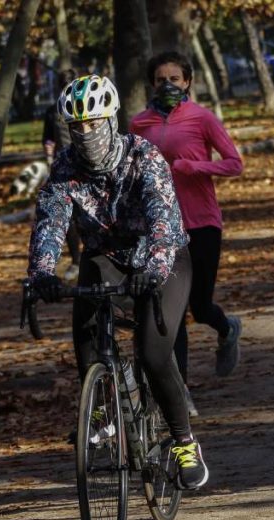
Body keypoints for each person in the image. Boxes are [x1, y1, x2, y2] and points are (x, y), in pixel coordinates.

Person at [27, 74, 209, 490]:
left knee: (152, 350)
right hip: (105, 256)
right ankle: (100, 408)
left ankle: (184, 442)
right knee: (87, 336)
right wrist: (41, 272)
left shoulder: (143, 156)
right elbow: (51, 222)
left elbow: (164, 217)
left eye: (93, 123)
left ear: (111, 120)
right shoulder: (66, 167)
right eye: (77, 127)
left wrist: (155, 265)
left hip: (162, 258)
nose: (86, 133)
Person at [130, 51, 245, 394]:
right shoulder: (139, 125)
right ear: (152, 83)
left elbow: (234, 164)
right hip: (162, 229)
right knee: (172, 312)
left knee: (200, 306)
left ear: (188, 82)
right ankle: (178, 392)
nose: (168, 85)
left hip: (202, 222)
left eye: (175, 79)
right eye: (161, 80)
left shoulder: (202, 118)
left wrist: (195, 168)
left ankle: (226, 328)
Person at [41, 68, 82, 281]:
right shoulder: (52, 111)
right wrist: (50, 161)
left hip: (89, 167)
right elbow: (48, 140)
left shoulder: (89, 106)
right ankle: (76, 260)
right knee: (68, 218)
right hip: (64, 169)